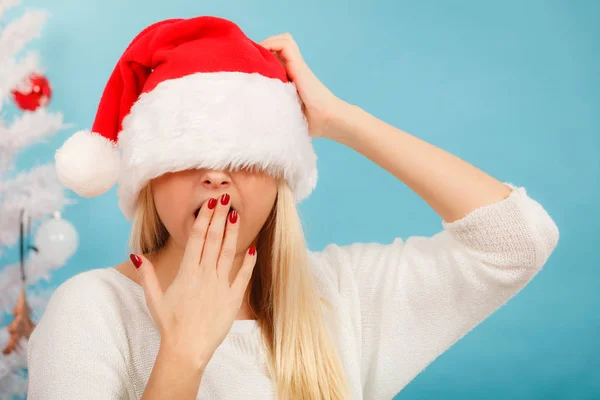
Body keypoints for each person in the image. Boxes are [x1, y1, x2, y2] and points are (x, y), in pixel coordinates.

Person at [26, 16, 559, 400]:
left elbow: (517, 240)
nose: (215, 175)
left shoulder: (340, 298)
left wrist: (338, 119)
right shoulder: (92, 311)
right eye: (187, 153)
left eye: (242, 151)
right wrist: (182, 358)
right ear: (147, 177)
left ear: (280, 170)